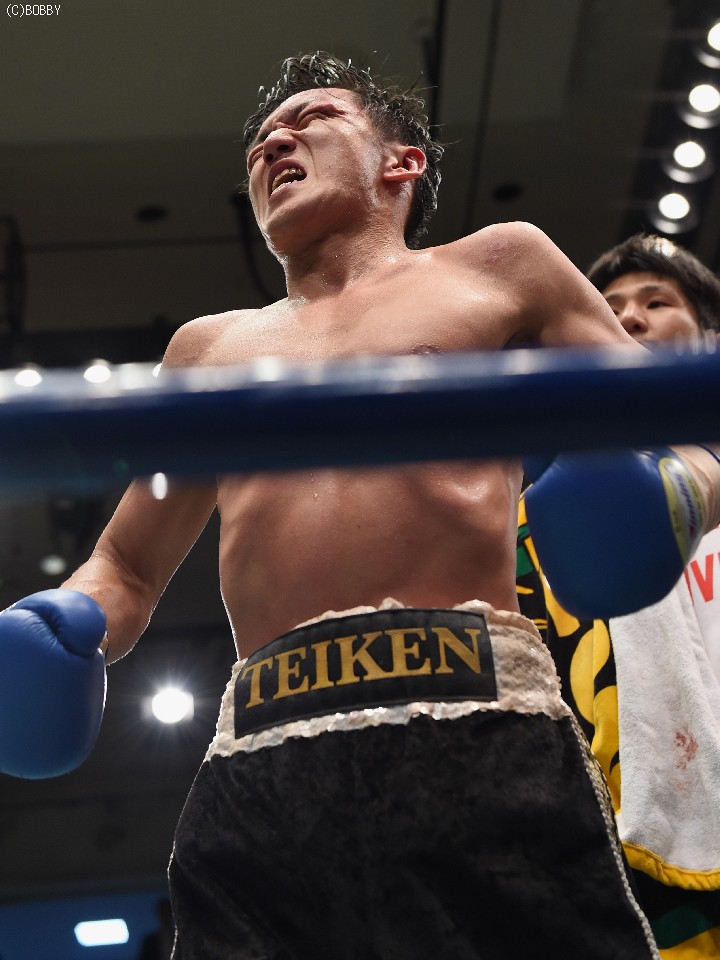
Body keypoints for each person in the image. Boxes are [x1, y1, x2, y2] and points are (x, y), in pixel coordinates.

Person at [2, 53, 720, 959]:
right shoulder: (207, 351)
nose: (275, 141)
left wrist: (675, 496)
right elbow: (127, 565)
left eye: (313, 118)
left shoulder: (501, 266)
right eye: (263, 139)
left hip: (474, 720)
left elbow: (685, 431)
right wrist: (63, 621)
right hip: (262, 754)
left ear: (401, 162)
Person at [517, 233, 720, 958]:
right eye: (609, 307)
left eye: (656, 302)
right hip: (596, 842)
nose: (628, 317)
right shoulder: (536, 488)